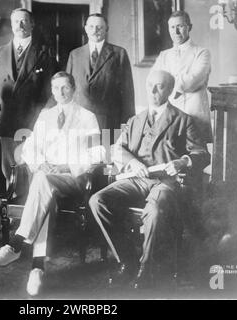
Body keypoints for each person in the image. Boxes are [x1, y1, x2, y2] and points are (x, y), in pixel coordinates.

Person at [88, 70, 210, 288]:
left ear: (170, 90)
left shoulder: (183, 120)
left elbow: (202, 154)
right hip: (137, 178)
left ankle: (147, 269)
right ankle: (127, 261)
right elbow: (119, 148)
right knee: (98, 201)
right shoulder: (136, 120)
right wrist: (133, 163)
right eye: (150, 86)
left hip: (166, 182)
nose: (153, 91)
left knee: (153, 211)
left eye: (160, 86)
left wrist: (182, 162)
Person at [0, 72, 101, 296]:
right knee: (42, 183)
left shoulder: (88, 117)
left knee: (41, 183)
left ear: (74, 88)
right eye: (56, 88)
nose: (61, 92)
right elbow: (30, 148)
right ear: (52, 91)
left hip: (72, 177)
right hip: (46, 177)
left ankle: (17, 243)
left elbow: (96, 152)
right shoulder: (45, 116)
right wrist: (41, 164)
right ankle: (37, 268)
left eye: (66, 87)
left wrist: (67, 166)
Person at [0, 8, 58, 188]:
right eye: (16, 21)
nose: (20, 25)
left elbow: (53, 91)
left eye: (24, 21)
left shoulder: (45, 53)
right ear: (11, 25)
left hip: (33, 121)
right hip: (6, 120)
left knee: (33, 166)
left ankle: (30, 207)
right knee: (9, 169)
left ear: (32, 24)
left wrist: (45, 115)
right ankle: (12, 203)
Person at [66, 13, 135, 135]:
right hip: (80, 121)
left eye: (99, 27)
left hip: (109, 121)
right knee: (81, 152)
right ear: (86, 28)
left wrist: (127, 122)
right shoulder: (75, 55)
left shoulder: (119, 54)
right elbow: (67, 89)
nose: (95, 30)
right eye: (91, 27)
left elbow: (127, 92)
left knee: (106, 152)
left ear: (106, 29)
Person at [151, 10, 212, 143]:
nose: (176, 32)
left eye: (180, 26)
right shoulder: (164, 55)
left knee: (196, 156)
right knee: (170, 154)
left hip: (193, 111)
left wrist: (166, 86)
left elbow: (192, 81)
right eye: (172, 27)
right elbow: (153, 80)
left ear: (189, 27)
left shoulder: (202, 53)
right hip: (170, 113)